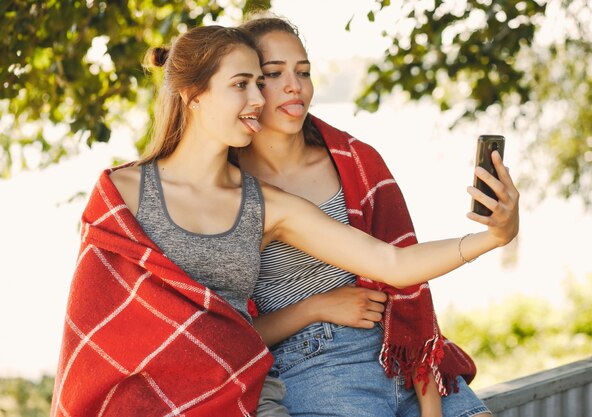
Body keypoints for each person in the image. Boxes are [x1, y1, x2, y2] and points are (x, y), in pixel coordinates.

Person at [51, 23, 517, 417]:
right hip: (217, 388)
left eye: (261, 83)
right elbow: (100, 333)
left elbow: (391, 264)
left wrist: (492, 236)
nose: (259, 98)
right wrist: (312, 310)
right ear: (192, 95)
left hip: (298, 373)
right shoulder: (122, 195)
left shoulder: (267, 204)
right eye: (245, 84)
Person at [237, 16, 519, 417]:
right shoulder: (232, 192)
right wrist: (314, 307)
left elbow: (407, 284)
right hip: (314, 365)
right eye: (273, 73)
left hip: (398, 355)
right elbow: (227, 336)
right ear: (245, 86)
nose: (294, 86)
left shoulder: (356, 162)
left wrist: (432, 406)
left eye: (303, 72)